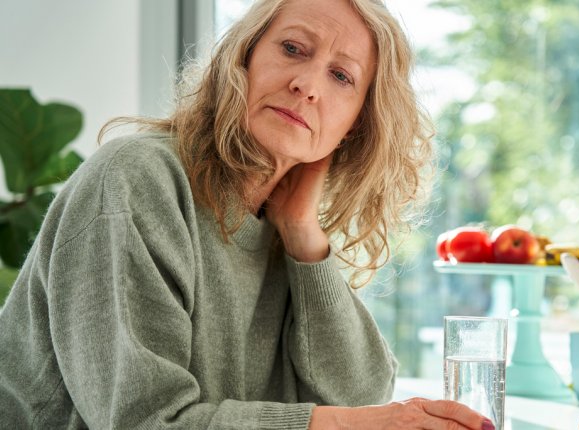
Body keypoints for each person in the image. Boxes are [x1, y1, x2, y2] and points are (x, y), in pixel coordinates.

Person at [0, 0, 496, 429]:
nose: (306, 84)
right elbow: (144, 420)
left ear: (354, 125)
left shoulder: (282, 223)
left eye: (341, 76)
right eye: (293, 49)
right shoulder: (137, 179)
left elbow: (360, 392)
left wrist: (305, 237)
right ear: (245, 56)